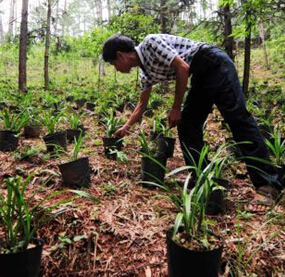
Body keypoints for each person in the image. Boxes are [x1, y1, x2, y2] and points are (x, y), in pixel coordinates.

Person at [102, 34, 282, 210]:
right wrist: (126, 127)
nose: (116, 68)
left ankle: (268, 185)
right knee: (188, 125)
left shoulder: (150, 43)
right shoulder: (145, 74)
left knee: (238, 119)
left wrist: (176, 107)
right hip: (201, 75)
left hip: (213, 62)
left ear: (120, 55)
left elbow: (182, 67)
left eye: (113, 63)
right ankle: (203, 179)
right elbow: (141, 105)